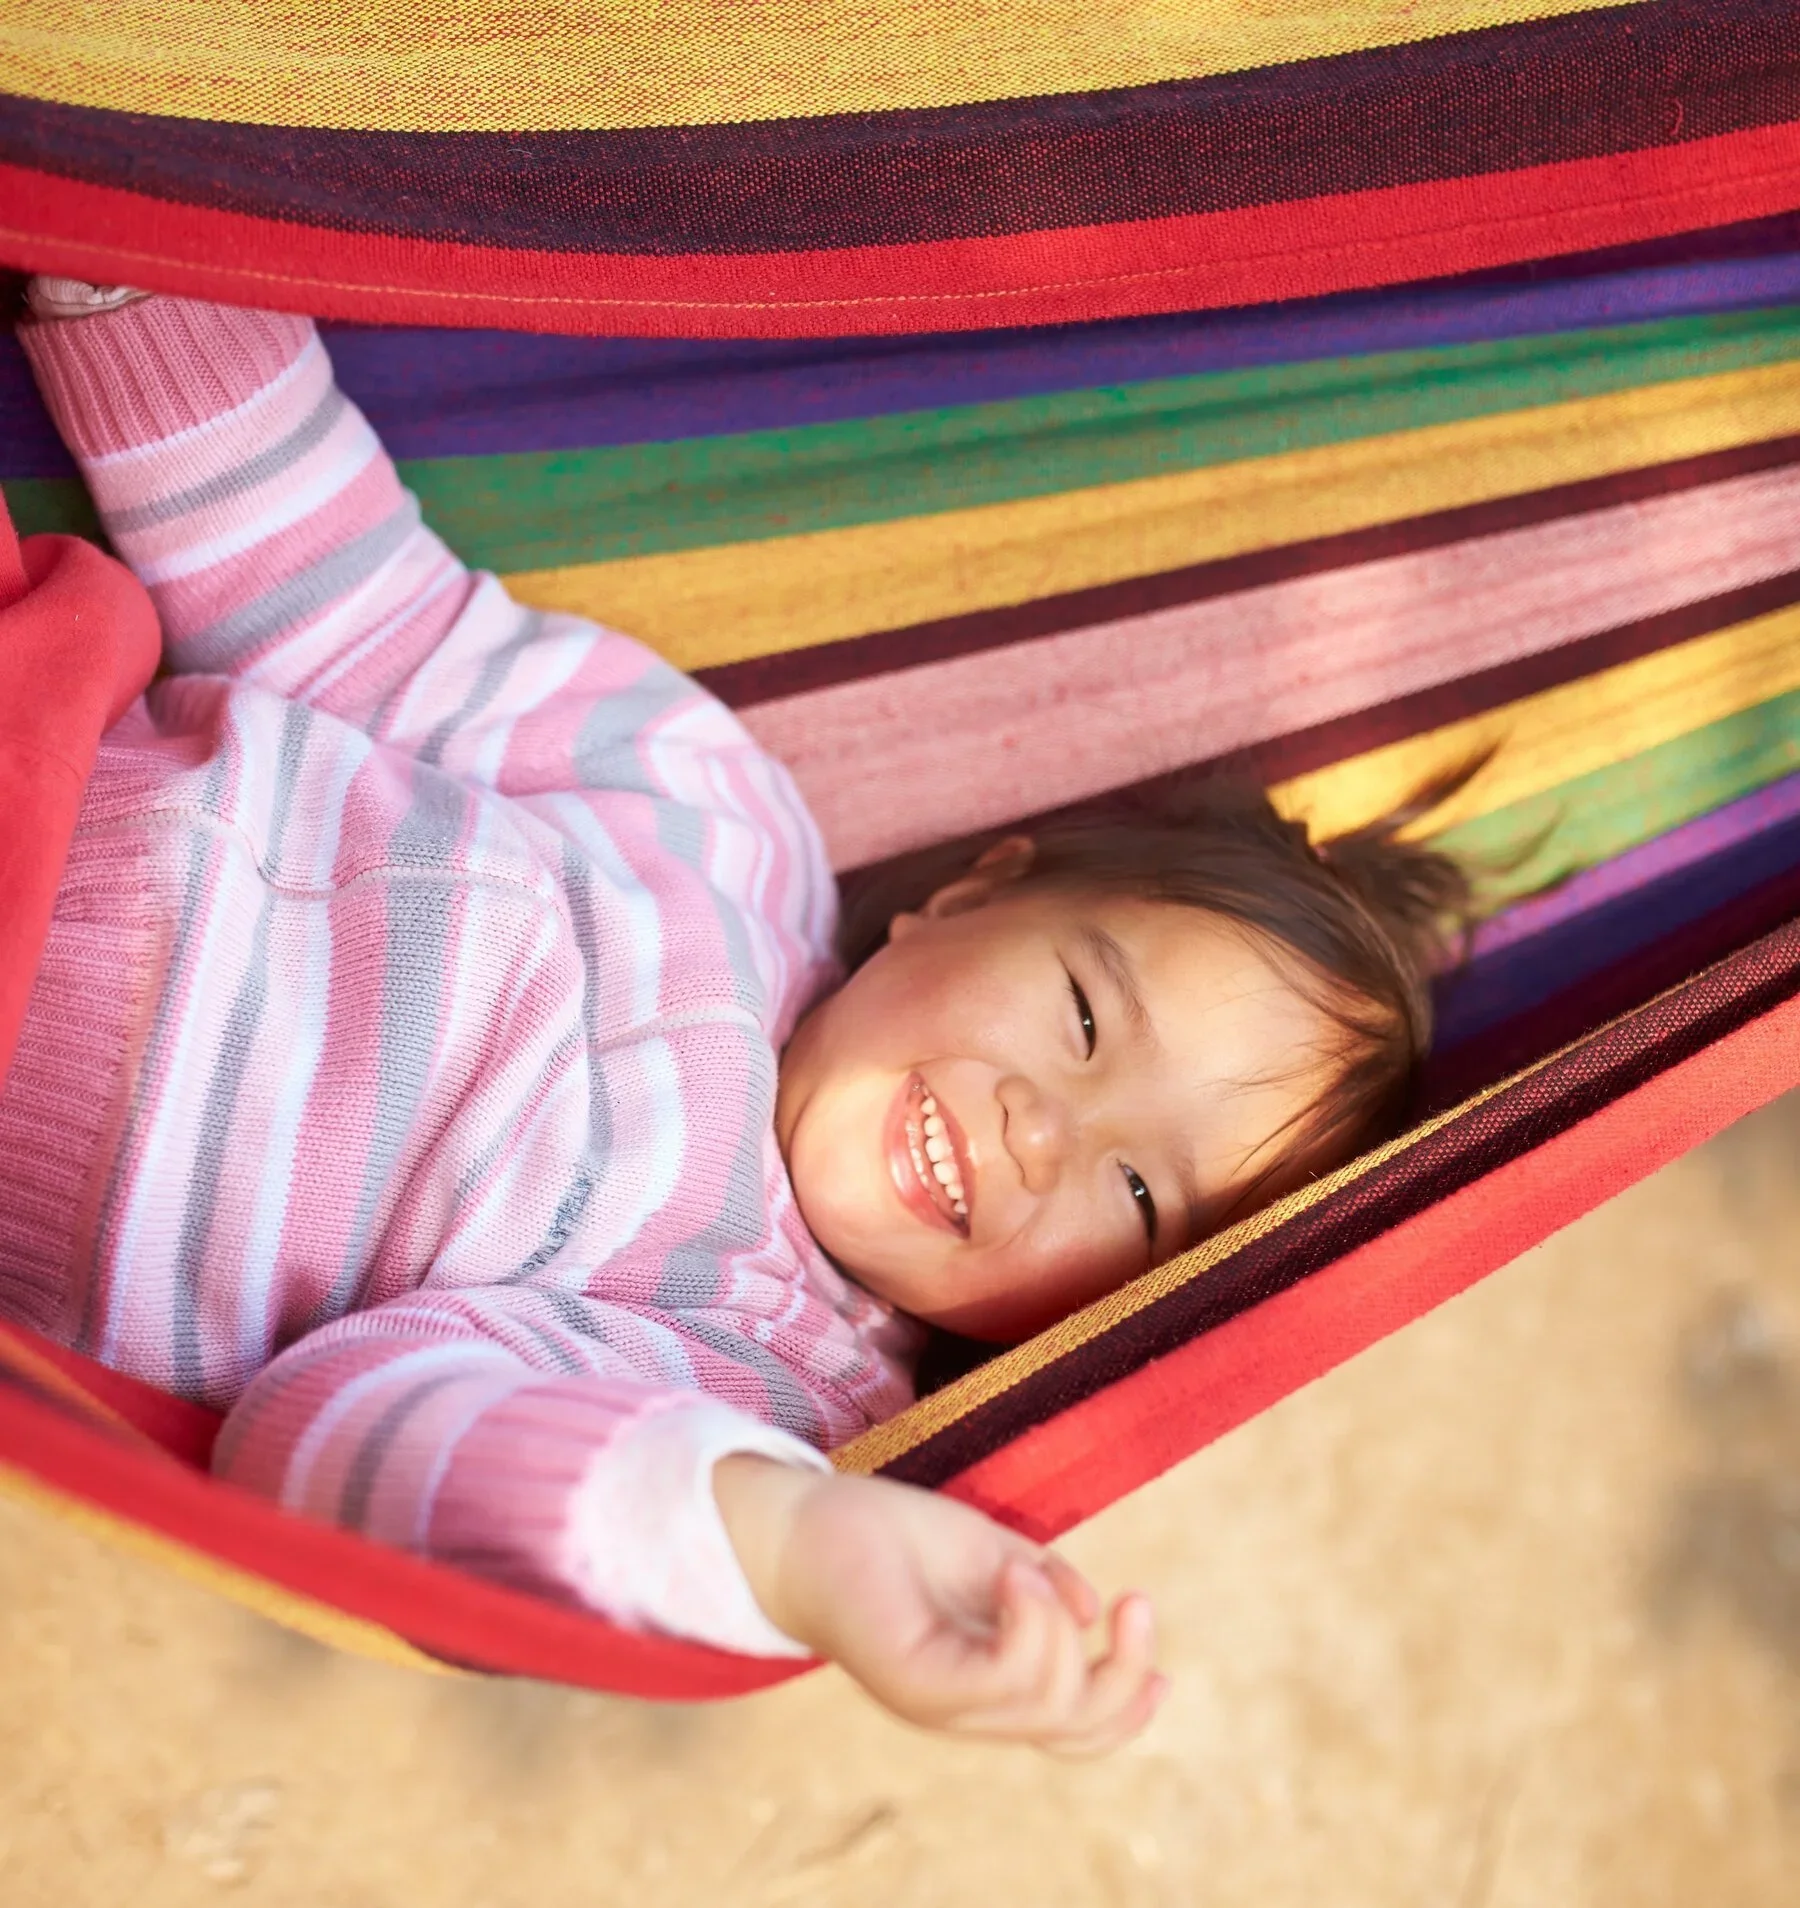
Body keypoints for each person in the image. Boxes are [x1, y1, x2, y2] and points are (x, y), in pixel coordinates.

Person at [0, 281, 1469, 1756]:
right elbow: (355, 618)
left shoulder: (761, 1382)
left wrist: (782, 1543)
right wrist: (129, 291)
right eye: (1087, 1014)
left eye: (1140, 1193)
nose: (1046, 1130)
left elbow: (331, 1438)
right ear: (969, 894)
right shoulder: (714, 814)